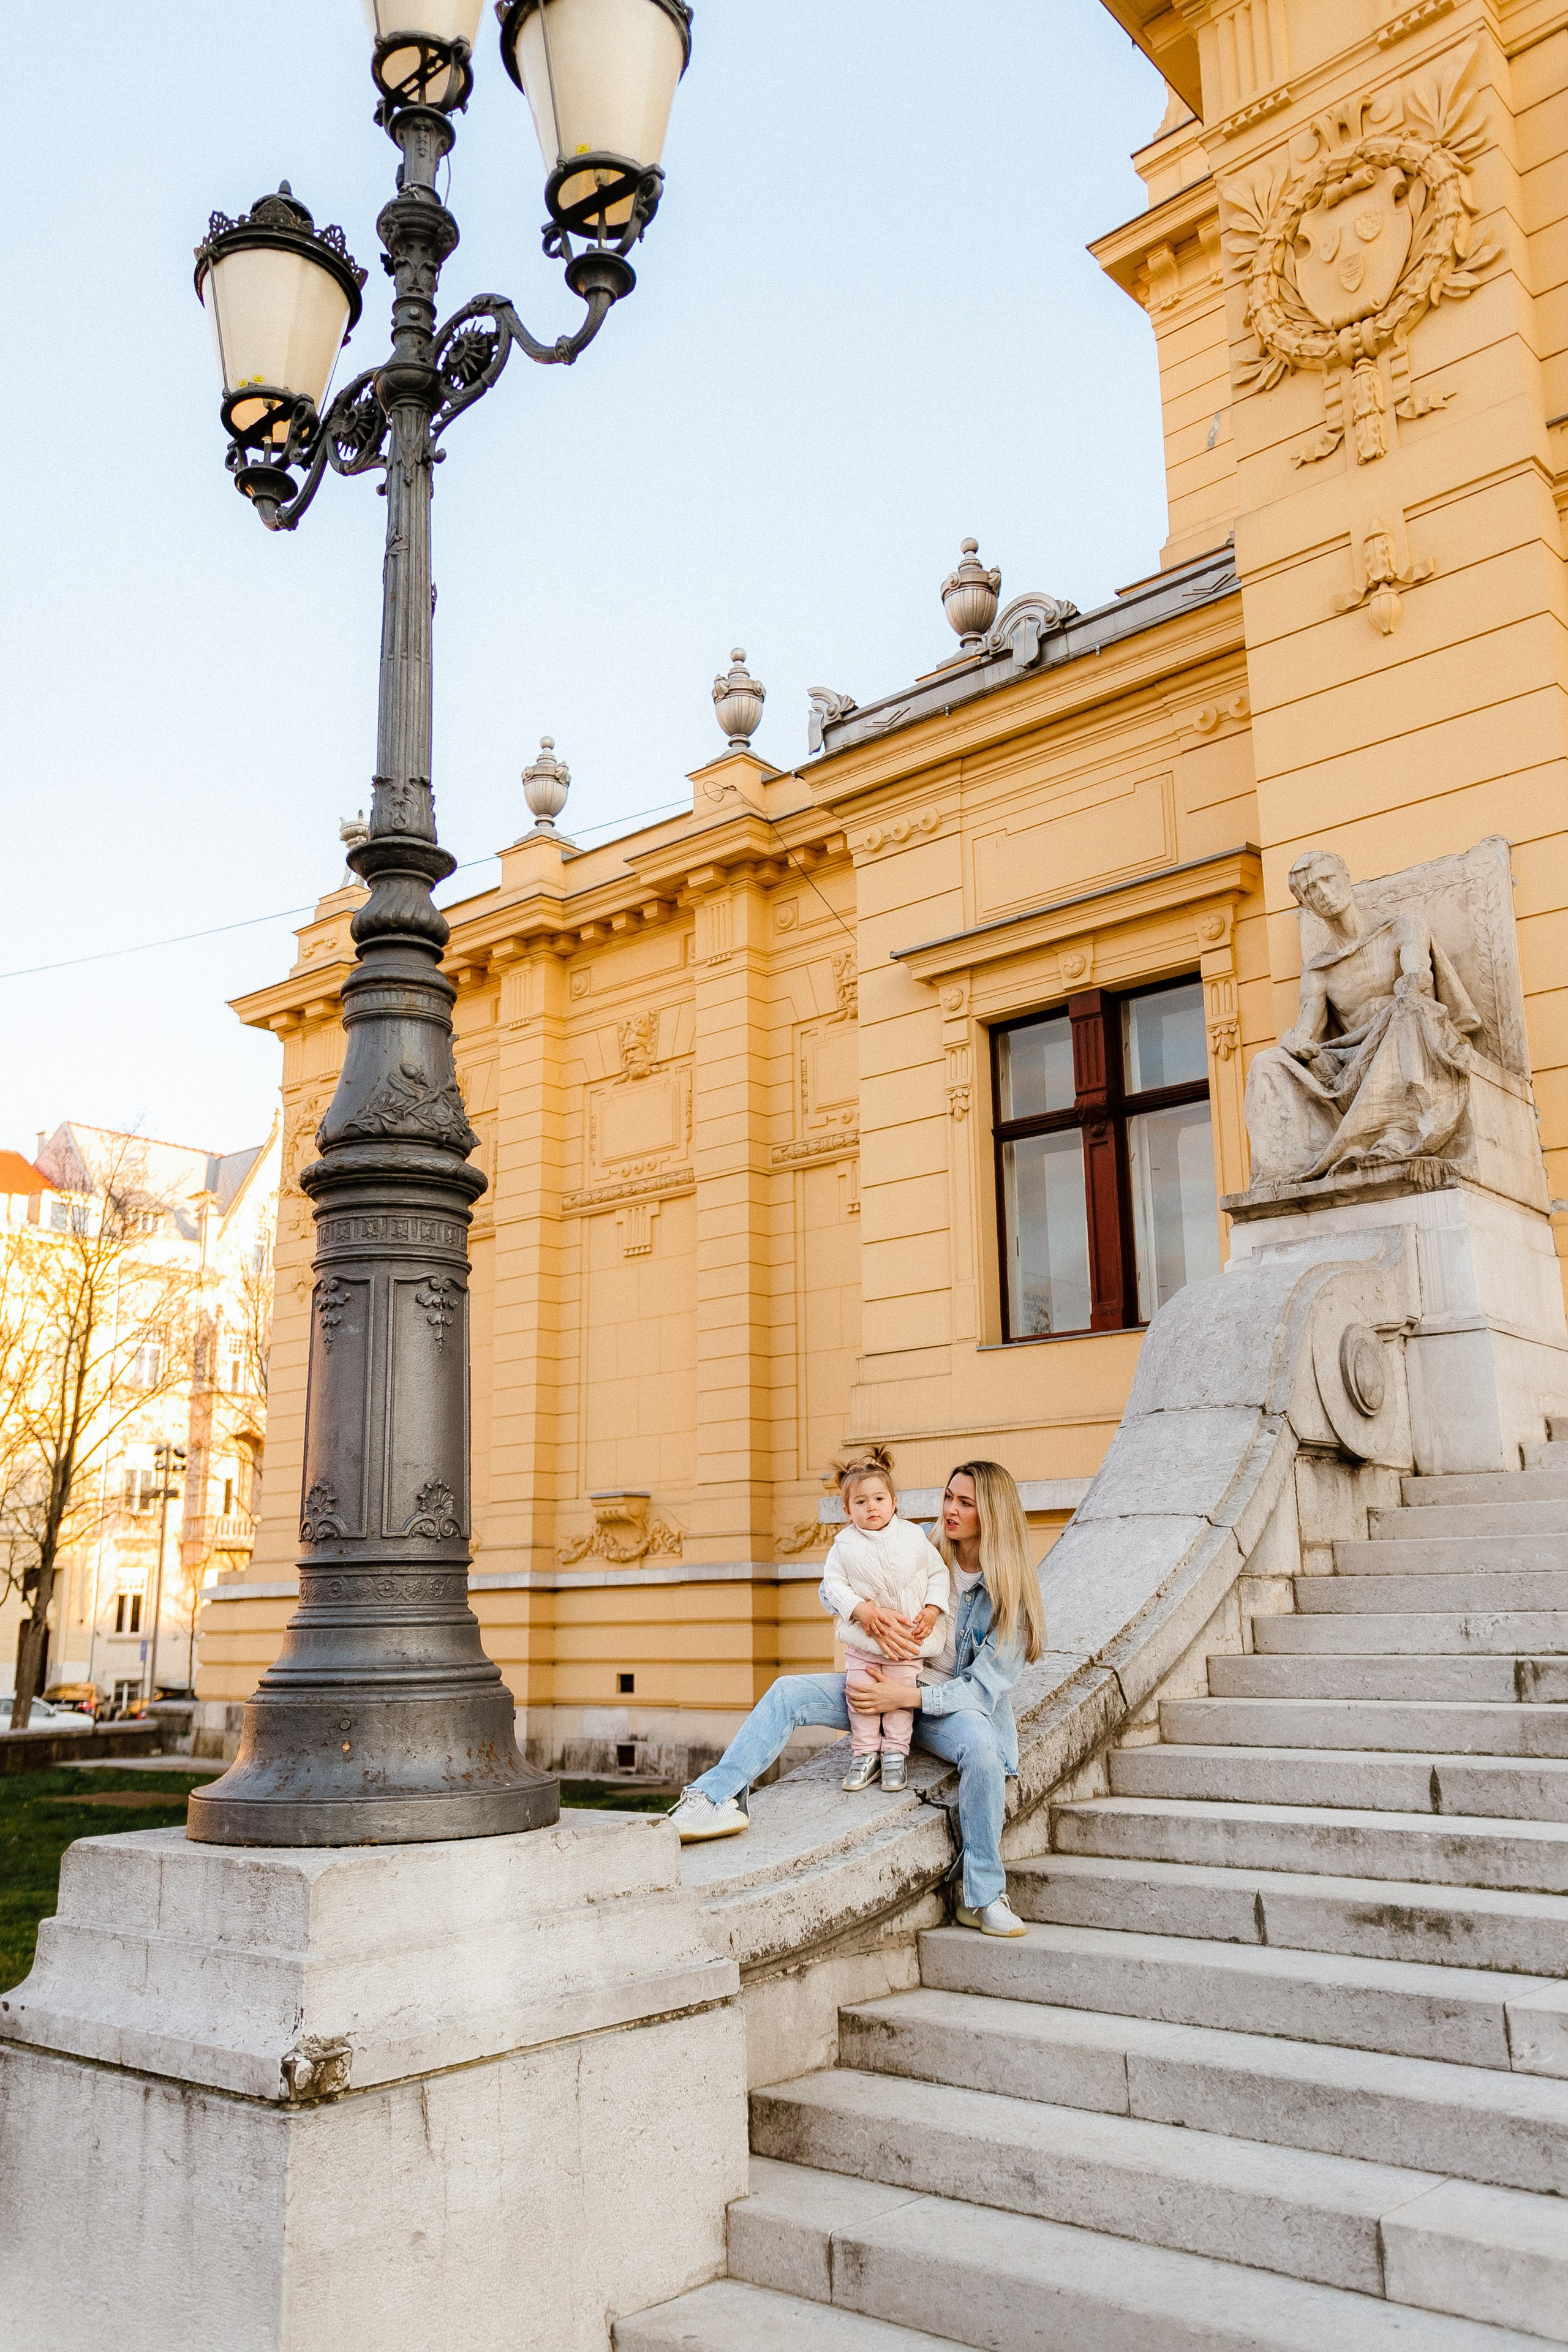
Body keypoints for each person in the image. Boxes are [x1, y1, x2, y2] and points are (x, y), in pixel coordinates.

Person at [668, 1460, 1048, 1939]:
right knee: (789, 1692)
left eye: (965, 1503)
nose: (950, 1510)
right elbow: (832, 1585)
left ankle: (983, 1896)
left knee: (984, 1751)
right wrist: (862, 1610)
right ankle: (713, 1797)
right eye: (948, 1496)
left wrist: (903, 1696)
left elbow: (982, 1689)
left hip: (946, 1706)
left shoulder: (1009, 1592)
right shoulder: (918, 1539)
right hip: (879, 1679)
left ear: (992, 1513)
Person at [819, 1446, 950, 1795]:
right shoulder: (843, 1546)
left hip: (906, 1641)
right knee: (859, 1696)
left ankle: (894, 1752)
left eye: (878, 1499)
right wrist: (860, 1609)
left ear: (894, 1502)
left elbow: (938, 1574)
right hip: (865, 1644)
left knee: (900, 1699)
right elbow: (833, 1585)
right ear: (847, 1511)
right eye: (860, 1503)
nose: (871, 1507)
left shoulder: (913, 1537)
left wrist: (933, 1609)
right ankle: (864, 1754)